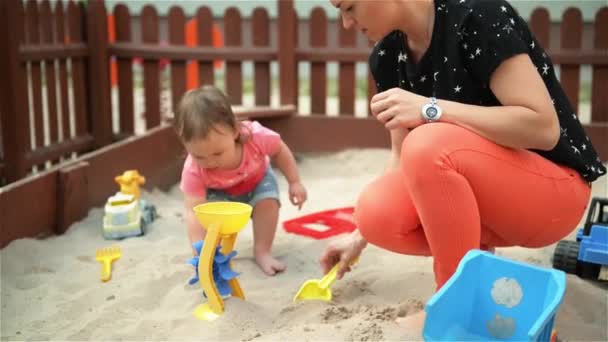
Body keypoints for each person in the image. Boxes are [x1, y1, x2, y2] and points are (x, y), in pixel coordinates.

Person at [321, 0, 606, 331]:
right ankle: (479, 280)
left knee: (427, 146)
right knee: (376, 213)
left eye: (349, 7)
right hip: (483, 194)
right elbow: (400, 158)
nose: (346, 23)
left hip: (554, 189)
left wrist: (431, 109)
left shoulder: (477, 15)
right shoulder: (387, 56)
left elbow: (543, 128)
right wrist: (360, 236)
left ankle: (455, 308)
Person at [176, 85, 307, 276]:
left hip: (257, 181)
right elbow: (194, 212)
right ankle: (211, 257)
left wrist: (294, 181)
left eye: (218, 153)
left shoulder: (256, 137)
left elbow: (279, 149)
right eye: (199, 156)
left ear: (236, 131)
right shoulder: (193, 169)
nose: (210, 162)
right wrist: (200, 251)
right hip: (220, 195)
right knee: (210, 223)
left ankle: (263, 252)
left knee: (268, 203)